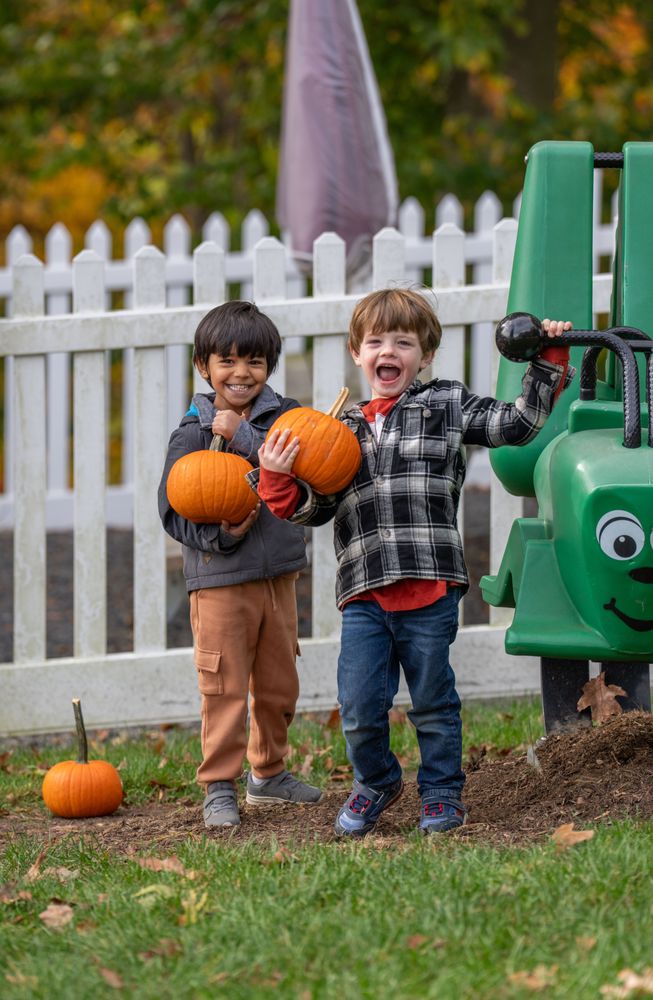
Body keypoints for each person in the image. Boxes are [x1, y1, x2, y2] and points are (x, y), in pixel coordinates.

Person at [254, 288, 573, 837]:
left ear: (424, 356)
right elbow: (316, 511)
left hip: (429, 588)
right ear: (358, 353)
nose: (390, 351)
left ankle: (443, 793)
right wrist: (277, 477)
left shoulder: (445, 404)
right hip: (365, 594)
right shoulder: (341, 431)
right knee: (358, 706)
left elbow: (516, 425)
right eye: (376, 341)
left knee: (431, 700)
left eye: (404, 342)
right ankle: (376, 780)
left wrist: (546, 363)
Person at [158, 300, 322, 830]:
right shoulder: (191, 434)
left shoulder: (288, 420)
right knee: (223, 686)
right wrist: (223, 536)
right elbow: (172, 509)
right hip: (220, 579)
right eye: (226, 361)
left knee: (278, 685)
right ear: (203, 367)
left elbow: (305, 477)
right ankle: (219, 786)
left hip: (278, 575)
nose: (240, 373)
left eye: (253, 360)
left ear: (269, 366)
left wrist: (245, 435)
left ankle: (268, 775)